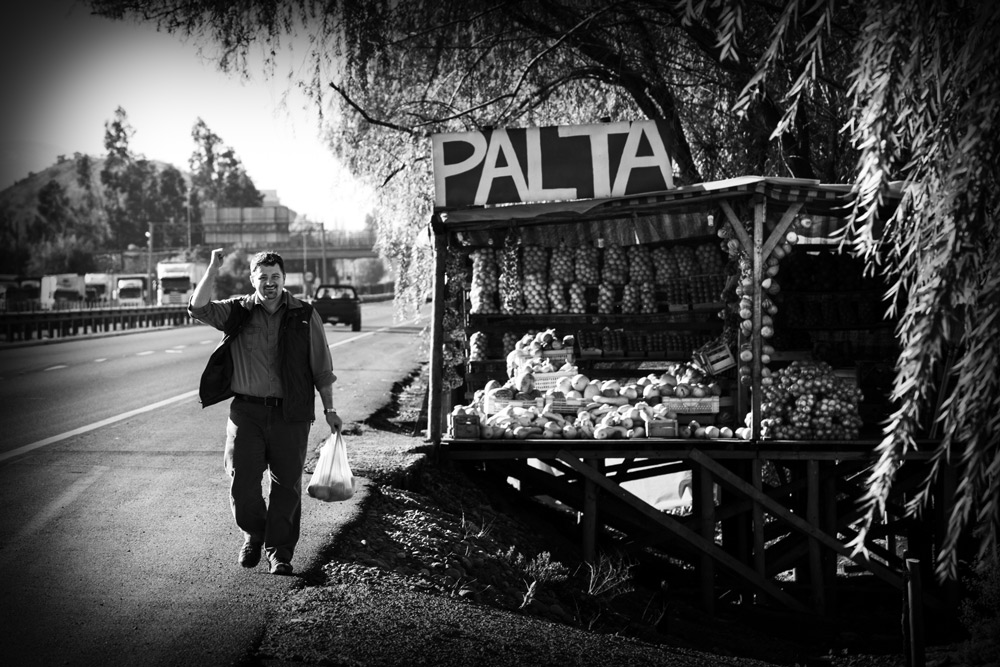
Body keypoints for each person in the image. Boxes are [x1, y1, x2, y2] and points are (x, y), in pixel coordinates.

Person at [189, 249, 343, 575]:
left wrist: (329, 409)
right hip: (247, 412)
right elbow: (199, 308)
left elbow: (322, 368)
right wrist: (213, 269)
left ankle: (280, 554)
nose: (269, 283)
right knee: (242, 482)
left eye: (275, 277)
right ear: (252, 279)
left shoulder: (305, 314)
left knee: (286, 486)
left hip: (292, 414)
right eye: (263, 277)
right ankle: (255, 532)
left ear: (284, 279)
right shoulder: (239, 311)